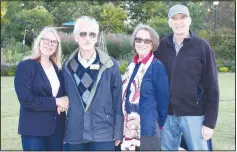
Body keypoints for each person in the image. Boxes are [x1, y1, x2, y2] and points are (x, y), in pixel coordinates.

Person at [154, 4, 220, 150]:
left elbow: (213, 86)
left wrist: (210, 123)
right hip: (167, 116)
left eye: (182, 17)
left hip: (194, 115)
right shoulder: (161, 46)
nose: (179, 22)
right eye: (174, 18)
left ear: (189, 20)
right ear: (169, 22)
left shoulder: (203, 47)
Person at [62, 16, 124, 151]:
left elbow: (117, 100)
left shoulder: (110, 65)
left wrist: (118, 130)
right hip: (75, 134)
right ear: (75, 37)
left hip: (104, 133)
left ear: (96, 38)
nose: (87, 38)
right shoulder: (67, 66)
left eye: (92, 34)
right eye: (83, 34)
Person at [14, 27, 69, 150]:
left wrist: (65, 99)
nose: (49, 44)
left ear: (57, 46)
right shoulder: (25, 67)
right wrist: (56, 102)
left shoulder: (58, 70)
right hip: (34, 130)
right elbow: (27, 100)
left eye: (53, 42)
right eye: (46, 40)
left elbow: (64, 93)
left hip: (57, 129)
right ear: (39, 41)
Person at [120, 24, 170, 151]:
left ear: (153, 44)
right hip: (128, 129)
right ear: (134, 41)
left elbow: (163, 101)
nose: (142, 43)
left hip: (148, 130)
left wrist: (158, 125)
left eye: (147, 40)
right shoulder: (132, 65)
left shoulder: (157, 67)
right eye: (138, 39)